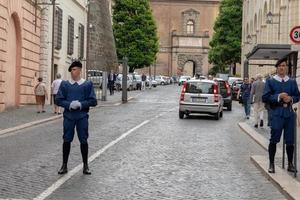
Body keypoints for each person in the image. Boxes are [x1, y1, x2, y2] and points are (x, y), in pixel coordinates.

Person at [55, 61, 97, 175]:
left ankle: (85, 165)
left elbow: (93, 101)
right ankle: (64, 165)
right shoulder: (65, 84)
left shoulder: (87, 85)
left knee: (83, 140)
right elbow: (58, 100)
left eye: (74, 70)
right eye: (71, 70)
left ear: (79, 70)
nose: (72, 72)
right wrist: (69, 104)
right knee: (66, 140)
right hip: (69, 116)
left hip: (82, 116)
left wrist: (81, 104)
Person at [262, 58, 300, 173]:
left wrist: (291, 98)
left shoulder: (292, 82)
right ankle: (271, 164)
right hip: (277, 113)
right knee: (274, 139)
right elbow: (265, 97)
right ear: (277, 68)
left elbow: (298, 96)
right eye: (279, 66)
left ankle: (290, 163)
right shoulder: (270, 81)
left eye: (284, 66)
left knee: (290, 140)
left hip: (289, 113)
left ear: (286, 67)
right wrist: (278, 96)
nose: (282, 68)